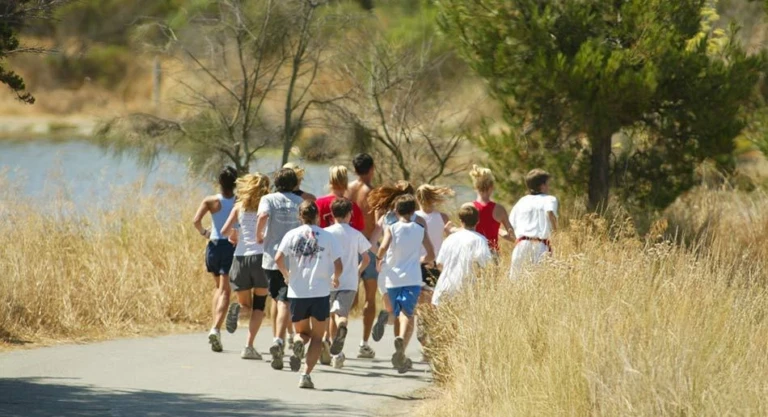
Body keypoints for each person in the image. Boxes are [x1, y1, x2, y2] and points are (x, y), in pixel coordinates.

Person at [274, 201, 343, 389]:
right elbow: (339, 265)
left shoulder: (291, 235)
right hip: (320, 292)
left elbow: (278, 258)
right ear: (318, 216)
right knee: (317, 337)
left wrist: (286, 275)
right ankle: (305, 375)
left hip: (298, 292)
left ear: (300, 216)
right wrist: (335, 278)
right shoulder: (327, 236)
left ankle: (298, 343)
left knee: (302, 333)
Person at [377, 194, 435, 373]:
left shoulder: (392, 228)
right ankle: (401, 338)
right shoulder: (420, 228)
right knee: (406, 313)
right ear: (413, 211)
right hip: (412, 278)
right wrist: (421, 260)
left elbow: (383, 247)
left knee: (396, 313)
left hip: (393, 278)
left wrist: (379, 260)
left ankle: (386, 319)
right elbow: (431, 254)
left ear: (396, 211)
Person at [367, 181, 428, 344]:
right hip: (410, 271)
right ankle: (401, 346)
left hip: (387, 270)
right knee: (406, 313)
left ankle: (386, 318)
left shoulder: (385, 218)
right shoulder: (418, 221)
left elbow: (372, 244)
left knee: (392, 310)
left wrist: (381, 257)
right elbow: (426, 246)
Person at [257, 168, 305, 370]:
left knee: (277, 299)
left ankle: (279, 339)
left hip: (271, 256)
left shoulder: (268, 199)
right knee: (285, 300)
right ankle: (279, 339)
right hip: (292, 259)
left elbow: (262, 216)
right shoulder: (299, 201)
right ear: (295, 184)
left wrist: (259, 235)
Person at [220, 173, 271, 360]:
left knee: (245, 305)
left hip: (240, 258)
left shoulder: (238, 206)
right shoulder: (267, 206)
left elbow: (224, 231)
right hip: (261, 258)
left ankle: (238, 309)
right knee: (259, 306)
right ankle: (248, 346)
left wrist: (235, 234)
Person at [192, 166, 238, 353]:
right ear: (235, 182)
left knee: (218, 287)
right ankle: (216, 328)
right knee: (225, 290)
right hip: (229, 246)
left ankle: (215, 327)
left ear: (219, 182)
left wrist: (205, 233)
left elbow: (196, 220)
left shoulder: (210, 201)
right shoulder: (238, 201)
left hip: (213, 246)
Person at [324, 198, 371, 369]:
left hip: (329, 280)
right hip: (350, 281)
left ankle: (336, 354)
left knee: (331, 313)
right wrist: (358, 271)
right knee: (341, 313)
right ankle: (342, 324)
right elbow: (366, 258)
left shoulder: (326, 233)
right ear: (350, 214)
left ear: (332, 214)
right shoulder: (355, 234)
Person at [345, 153, 379, 358]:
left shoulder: (347, 189)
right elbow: (377, 222)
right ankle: (364, 343)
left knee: (346, 296)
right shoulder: (372, 193)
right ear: (372, 169)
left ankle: (337, 332)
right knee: (370, 298)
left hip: (349, 245)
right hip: (367, 246)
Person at [414, 184, 455, 347]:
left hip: (418, 262)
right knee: (434, 303)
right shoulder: (443, 217)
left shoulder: (414, 217)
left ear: (417, 199)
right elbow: (451, 236)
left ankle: (423, 335)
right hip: (437, 265)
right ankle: (432, 338)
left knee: (422, 303)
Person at [431, 204, 492, 306]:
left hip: (445, 287)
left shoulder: (449, 239)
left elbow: (439, 264)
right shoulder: (480, 240)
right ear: (478, 221)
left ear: (460, 220)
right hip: (466, 289)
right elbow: (486, 266)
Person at [509, 169, 558, 278]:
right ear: (542, 185)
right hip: (540, 245)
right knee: (540, 280)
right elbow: (550, 213)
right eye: (547, 183)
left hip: (521, 245)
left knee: (517, 280)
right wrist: (556, 232)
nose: (549, 186)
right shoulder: (550, 199)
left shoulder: (521, 201)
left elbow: (510, 225)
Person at [469, 165, 514, 254]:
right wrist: (499, 231)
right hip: (492, 254)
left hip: (472, 253)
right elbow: (512, 236)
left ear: (475, 186)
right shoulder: (499, 209)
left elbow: (463, 233)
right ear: (492, 186)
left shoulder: (468, 207)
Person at [316, 165, 365, 231]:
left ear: (330, 181)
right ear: (346, 182)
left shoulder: (318, 204)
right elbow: (359, 232)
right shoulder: (353, 207)